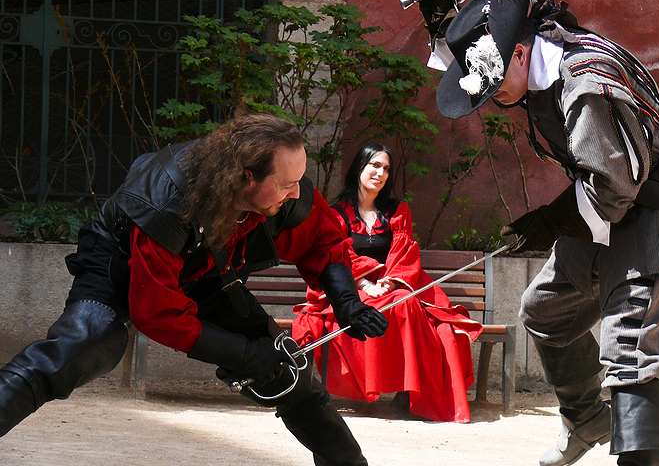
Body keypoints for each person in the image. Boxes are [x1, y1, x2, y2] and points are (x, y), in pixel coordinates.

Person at [419, 0, 659, 466]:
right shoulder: (529, 54)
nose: (492, 98)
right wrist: (446, 14)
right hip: (607, 206)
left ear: (519, 52)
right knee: (544, 310)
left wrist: (552, 221)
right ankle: (588, 423)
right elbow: (470, 46)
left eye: (494, 86)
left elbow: (613, 190)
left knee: (629, 347)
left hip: (656, 209)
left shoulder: (582, 83)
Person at [0, 111, 389, 466]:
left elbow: (323, 241)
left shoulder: (279, 189)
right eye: (287, 184)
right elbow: (157, 311)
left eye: (297, 181)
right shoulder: (167, 198)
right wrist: (243, 354)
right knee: (87, 344)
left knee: (285, 367)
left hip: (207, 271)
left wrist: (346, 303)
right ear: (246, 177)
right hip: (120, 265)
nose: (297, 192)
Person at [292, 142, 483, 423]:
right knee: (366, 309)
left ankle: (407, 395)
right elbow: (337, 255)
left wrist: (390, 283)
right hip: (350, 288)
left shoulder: (396, 211)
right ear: (359, 167)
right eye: (374, 165)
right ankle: (366, 388)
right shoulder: (336, 213)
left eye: (385, 169)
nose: (380, 173)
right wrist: (364, 285)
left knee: (405, 307)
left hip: (392, 285)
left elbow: (403, 252)